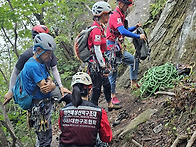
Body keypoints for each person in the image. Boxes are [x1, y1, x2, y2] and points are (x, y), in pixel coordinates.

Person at [3, 25, 71, 105]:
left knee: (69, 97)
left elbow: (54, 69)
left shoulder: (49, 53)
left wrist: (60, 86)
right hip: (35, 91)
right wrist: (10, 91)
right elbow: (15, 72)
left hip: (46, 85)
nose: (49, 56)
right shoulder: (27, 56)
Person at [106, 0, 147, 103]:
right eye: (126, 5)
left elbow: (125, 30)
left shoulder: (121, 15)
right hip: (111, 47)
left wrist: (135, 27)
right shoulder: (115, 15)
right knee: (113, 71)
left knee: (133, 60)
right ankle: (112, 95)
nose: (127, 7)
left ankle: (133, 83)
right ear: (120, 4)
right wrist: (138, 36)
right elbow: (123, 31)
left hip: (118, 47)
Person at [58, 72, 112, 147]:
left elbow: (62, 129)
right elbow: (107, 137)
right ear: (90, 90)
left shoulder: (63, 111)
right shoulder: (99, 112)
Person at [21, 33, 57, 146]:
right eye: (48, 54)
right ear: (39, 50)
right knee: (44, 138)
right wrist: (51, 85)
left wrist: (52, 84)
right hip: (39, 107)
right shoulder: (32, 66)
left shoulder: (40, 63)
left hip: (43, 106)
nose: (50, 57)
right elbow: (46, 88)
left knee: (45, 136)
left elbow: (49, 79)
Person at [88, 1, 122, 111]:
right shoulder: (96, 30)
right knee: (97, 88)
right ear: (102, 15)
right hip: (95, 63)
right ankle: (93, 109)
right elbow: (97, 50)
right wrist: (103, 66)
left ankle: (109, 104)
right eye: (107, 14)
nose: (108, 16)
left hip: (100, 60)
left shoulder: (100, 27)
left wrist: (105, 62)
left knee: (106, 84)